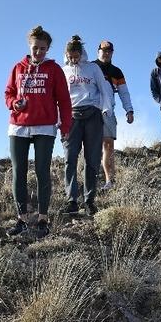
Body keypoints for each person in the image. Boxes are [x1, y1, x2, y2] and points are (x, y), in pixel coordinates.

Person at [4, 26, 72, 238]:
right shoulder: (18, 68)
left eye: (43, 48)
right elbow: (8, 93)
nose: (38, 52)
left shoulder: (55, 70)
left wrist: (66, 126)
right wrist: (15, 103)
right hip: (18, 126)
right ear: (29, 46)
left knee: (42, 171)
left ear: (48, 48)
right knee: (19, 172)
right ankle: (21, 219)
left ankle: (43, 219)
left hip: (45, 127)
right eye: (35, 48)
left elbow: (64, 100)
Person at [62, 35, 112, 216]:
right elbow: (59, 97)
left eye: (76, 55)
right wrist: (60, 120)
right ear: (66, 54)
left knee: (92, 159)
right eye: (70, 56)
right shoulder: (64, 71)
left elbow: (104, 89)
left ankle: (89, 200)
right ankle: (71, 200)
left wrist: (106, 109)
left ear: (81, 53)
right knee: (70, 159)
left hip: (92, 114)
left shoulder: (93, 68)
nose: (73, 59)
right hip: (71, 117)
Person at [92, 40, 134, 191]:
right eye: (103, 50)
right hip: (90, 110)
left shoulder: (117, 72)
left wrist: (129, 110)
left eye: (109, 51)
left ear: (112, 53)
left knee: (108, 145)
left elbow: (124, 92)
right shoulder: (90, 67)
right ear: (98, 51)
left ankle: (110, 181)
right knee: (90, 146)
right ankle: (90, 180)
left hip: (108, 111)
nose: (106, 53)